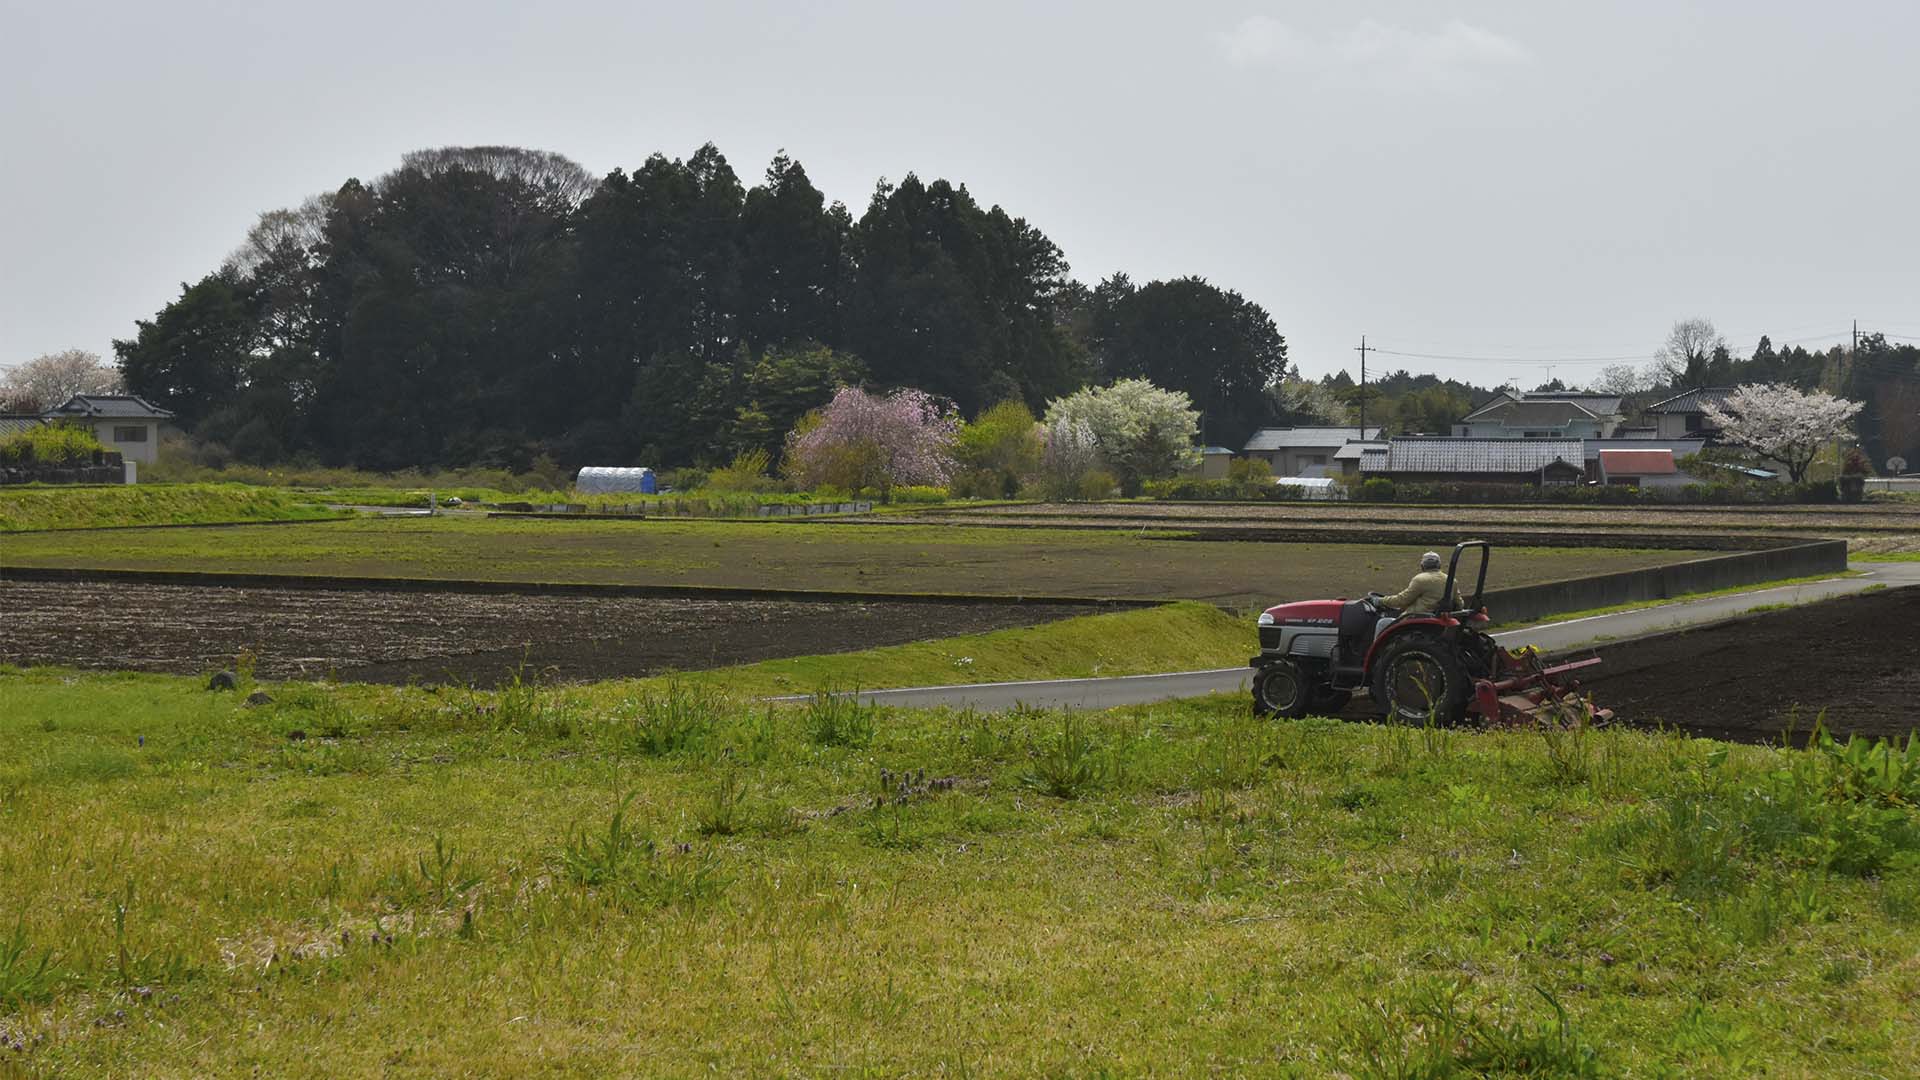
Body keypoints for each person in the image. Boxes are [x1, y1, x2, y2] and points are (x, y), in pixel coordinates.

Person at [1377, 551, 1463, 615]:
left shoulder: (1420, 580)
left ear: (1422, 566)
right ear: (1439, 565)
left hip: (1417, 617)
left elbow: (1402, 600)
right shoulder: (1452, 580)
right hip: (1439, 618)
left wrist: (1380, 600)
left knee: (1382, 623)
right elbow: (1459, 604)